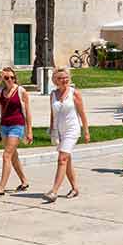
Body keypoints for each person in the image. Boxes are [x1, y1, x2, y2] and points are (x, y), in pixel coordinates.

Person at [0, 66, 31, 196]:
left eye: (12, 77)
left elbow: (27, 112)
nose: (10, 79)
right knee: (13, 155)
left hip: (17, 126)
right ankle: (24, 181)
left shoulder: (21, 91)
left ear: (15, 78)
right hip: (4, 126)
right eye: (6, 77)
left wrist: (29, 131)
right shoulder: (2, 90)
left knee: (6, 155)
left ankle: (1, 188)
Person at [44, 68, 89, 203]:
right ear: (55, 80)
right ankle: (75, 188)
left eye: (66, 78)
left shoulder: (74, 93)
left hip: (72, 130)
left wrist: (86, 131)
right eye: (60, 78)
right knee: (67, 160)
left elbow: (82, 114)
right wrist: (52, 129)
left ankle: (54, 191)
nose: (64, 80)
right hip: (59, 131)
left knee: (62, 159)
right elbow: (53, 113)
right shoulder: (53, 94)